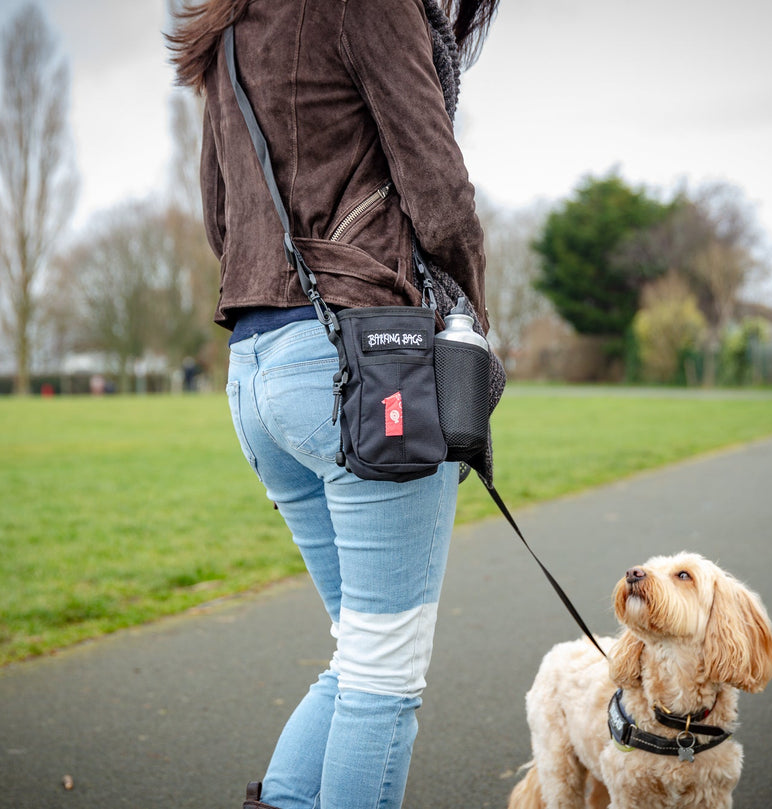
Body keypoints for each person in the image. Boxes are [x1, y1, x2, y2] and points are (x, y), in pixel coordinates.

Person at [168, 1, 499, 807]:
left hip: (257, 369)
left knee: (362, 651)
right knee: (384, 674)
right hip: (361, 362)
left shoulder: (227, 23)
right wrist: (473, 330)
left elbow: (221, 218)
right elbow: (439, 188)